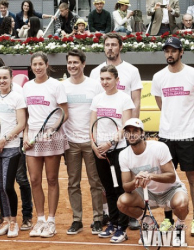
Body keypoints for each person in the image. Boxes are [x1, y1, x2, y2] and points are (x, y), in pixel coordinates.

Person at [117, 118, 189, 244]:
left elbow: (171, 176)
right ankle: (148, 223)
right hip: (148, 193)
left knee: (182, 203)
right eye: (128, 131)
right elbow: (126, 187)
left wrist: (150, 176)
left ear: (142, 133)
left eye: (135, 130)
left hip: (171, 191)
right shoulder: (124, 155)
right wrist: (136, 181)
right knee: (122, 202)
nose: (131, 134)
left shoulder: (159, 147)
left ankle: (179, 225)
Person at [150, 37, 194, 237]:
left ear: (181, 52)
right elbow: (162, 105)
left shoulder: (192, 74)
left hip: (189, 136)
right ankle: (167, 219)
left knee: (192, 178)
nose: (170, 54)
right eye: (167, 51)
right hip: (166, 136)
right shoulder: (159, 77)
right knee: (166, 180)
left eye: (173, 50)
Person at [23, 52, 68, 238]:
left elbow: (64, 113)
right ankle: (40, 220)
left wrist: (53, 131)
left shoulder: (56, 85)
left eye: (41, 64)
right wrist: (25, 135)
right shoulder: (26, 86)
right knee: (34, 180)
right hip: (32, 136)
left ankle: (51, 221)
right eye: (35, 64)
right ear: (31, 66)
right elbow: (25, 116)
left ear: (47, 65)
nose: (38, 67)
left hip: (52, 136)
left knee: (51, 179)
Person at [0, 57, 33, 231]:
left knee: (7, 186)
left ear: (11, 78)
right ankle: (5, 220)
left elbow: (21, 124)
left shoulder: (18, 97)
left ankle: (14, 222)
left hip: (11, 148)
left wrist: (4, 139)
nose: (2, 80)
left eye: (5, 77)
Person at [90, 65, 134, 243]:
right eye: (102, 79)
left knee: (119, 189)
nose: (105, 82)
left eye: (108, 79)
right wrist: (94, 146)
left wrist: (110, 143)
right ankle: (113, 223)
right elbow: (92, 126)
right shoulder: (97, 99)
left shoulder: (124, 99)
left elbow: (126, 127)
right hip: (100, 151)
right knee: (108, 189)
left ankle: (122, 228)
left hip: (118, 151)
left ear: (117, 80)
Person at [62, 49, 103, 235]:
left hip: (90, 141)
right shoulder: (62, 86)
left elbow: (101, 111)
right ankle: (77, 220)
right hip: (70, 142)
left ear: (83, 64)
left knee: (95, 182)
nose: (72, 66)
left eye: (75, 62)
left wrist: (96, 138)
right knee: (73, 183)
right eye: (69, 62)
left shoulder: (95, 85)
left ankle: (98, 219)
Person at [90, 33, 142, 119]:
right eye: (107, 45)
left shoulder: (132, 71)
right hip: (101, 125)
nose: (110, 48)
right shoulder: (95, 72)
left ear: (120, 47)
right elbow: (93, 104)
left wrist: (132, 126)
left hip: (123, 123)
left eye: (113, 45)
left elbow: (136, 102)